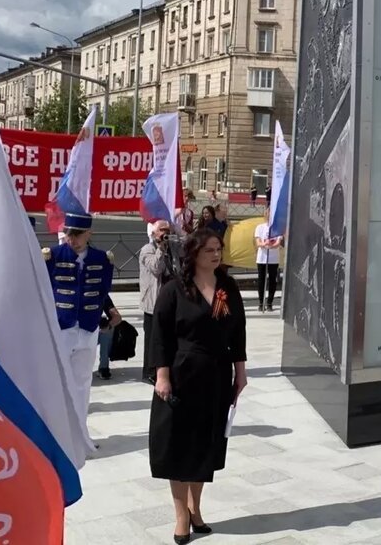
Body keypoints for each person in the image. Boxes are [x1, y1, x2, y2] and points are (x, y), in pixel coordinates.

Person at [149, 229, 248, 542]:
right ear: (193, 254)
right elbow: (160, 336)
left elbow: (237, 332)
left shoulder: (226, 288)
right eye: (209, 250)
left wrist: (240, 372)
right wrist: (161, 376)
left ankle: (196, 509)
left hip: (216, 376)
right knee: (179, 447)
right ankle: (181, 516)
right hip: (181, 376)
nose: (216, 255)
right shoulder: (175, 289)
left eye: (218, 249)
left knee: (205, 445)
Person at [42, 213, 113, 447]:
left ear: (88, 234)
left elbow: (102, 291)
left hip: (88, 328)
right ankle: (58, 436)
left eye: (77, 234)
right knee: (58, 383)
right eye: (69, 234)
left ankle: (81, 436)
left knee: (82, 383)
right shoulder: (52, 256)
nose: (72, 239)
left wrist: (109, 312)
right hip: (62, 328)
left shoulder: (102, 259)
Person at [140, 220, 183, 384]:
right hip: (153, 301)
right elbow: (156, 268)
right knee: (152, 338)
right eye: (162, 231)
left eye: (167, 230)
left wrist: (178, 235)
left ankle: (166, 366)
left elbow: (185, 254)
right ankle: (150, 371)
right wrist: (160, 249)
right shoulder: (147, 250)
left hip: (170, 299)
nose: (165, 233)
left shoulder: (172, 248)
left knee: (169, 335)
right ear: (153, 233)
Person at [254, 221, 283, 312]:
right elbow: (258, 242)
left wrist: (271, 245)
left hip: (273, 259)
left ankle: (270, 303)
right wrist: (264, 244)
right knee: (261, 280)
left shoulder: (278, 228)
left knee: (272, 280)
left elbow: (278, 242)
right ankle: (261, 303)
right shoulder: (260, 227)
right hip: (262, 258)